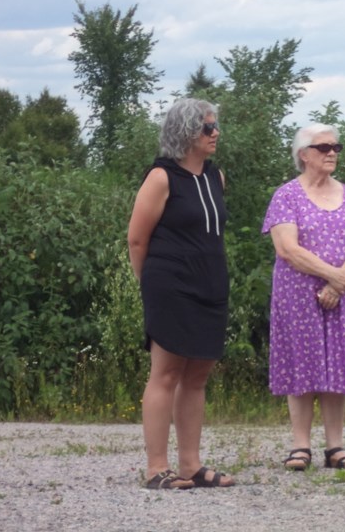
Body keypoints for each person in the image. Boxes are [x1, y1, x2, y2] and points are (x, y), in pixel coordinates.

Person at [127, 98, 235, 489]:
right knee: (167, 372)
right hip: (169, 284)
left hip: (210, 282)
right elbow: (137, 239)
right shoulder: (161, 177)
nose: (215, 133)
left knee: (198, 374)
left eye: (216, 125)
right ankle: (157, 468)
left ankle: (191, 464)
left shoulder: (215, 176)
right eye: (208, 127)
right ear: (187, 132)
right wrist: (151, 288)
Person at [262, 123, 345, 471]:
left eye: (335, 147)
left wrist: (339, 284)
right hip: (298, 294)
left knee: (337, 365)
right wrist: (333, 276)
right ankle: (300, 446)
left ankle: (336, 447)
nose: (331, 153)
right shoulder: (286, 196)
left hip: (344, 294)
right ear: (303, 154)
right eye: (323, 147)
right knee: (301, 363)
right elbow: (287, 248)